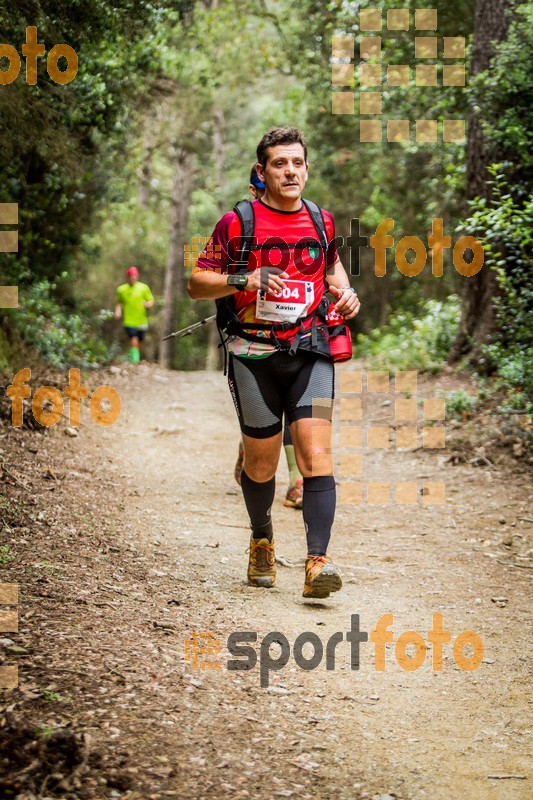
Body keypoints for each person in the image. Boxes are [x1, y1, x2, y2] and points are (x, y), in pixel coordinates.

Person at [188, 127, 360, 598]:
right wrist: (246, 278)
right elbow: (197, 283)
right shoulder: (237, 221)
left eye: (298, 163)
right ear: (261, 172)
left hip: (311, 350)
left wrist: (345, 294)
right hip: (252, 356)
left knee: (315, 455)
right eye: (280, 164)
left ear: (307, 168)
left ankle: (317, 561)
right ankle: (262, 538)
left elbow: (330, 269)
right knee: (261, 466)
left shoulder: (321, 220)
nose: (291, 171)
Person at [233, 165, 304, 510]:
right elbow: (216, 278)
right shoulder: (241, 223)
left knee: (295, 411)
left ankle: (297, 481)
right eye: (255, 188)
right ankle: (250, 446)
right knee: (266, 412)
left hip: (296, 337)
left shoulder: (303, 222)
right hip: (249, 341)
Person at [115, 267, 155, 364]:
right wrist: (118, 311)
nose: (133, 278)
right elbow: (119, 303)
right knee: (133, 339)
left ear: (137, 276)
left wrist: (147, 304)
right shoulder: (121, 289)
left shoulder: (144, 288)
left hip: (142, 320)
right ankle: (135, 361)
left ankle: (136, 358)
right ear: (127, 277)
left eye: (134, 276)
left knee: (139, 341)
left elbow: (151, 300)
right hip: (129, 320)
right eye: (131, 277)